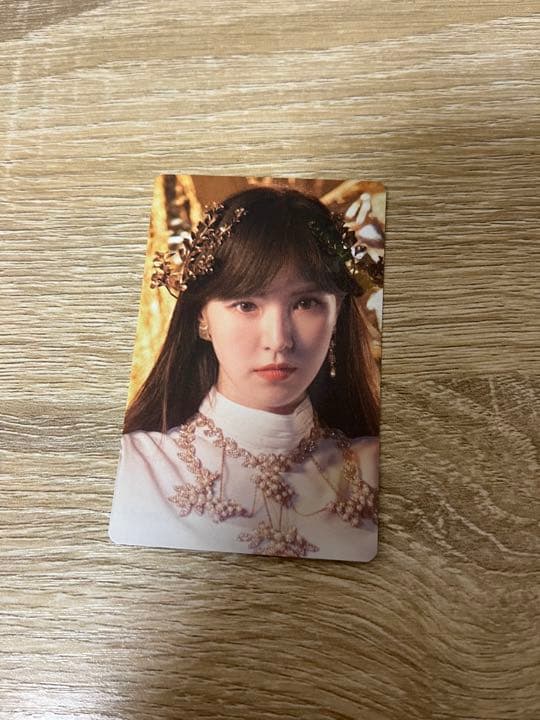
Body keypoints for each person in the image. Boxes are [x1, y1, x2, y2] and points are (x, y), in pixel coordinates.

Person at [109, 185, 381, 561]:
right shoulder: (136, 468)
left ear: (337, 316)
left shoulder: (375, 470)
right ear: (202, 317)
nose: (279, 340)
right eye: (246, 304)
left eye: (305, 303)